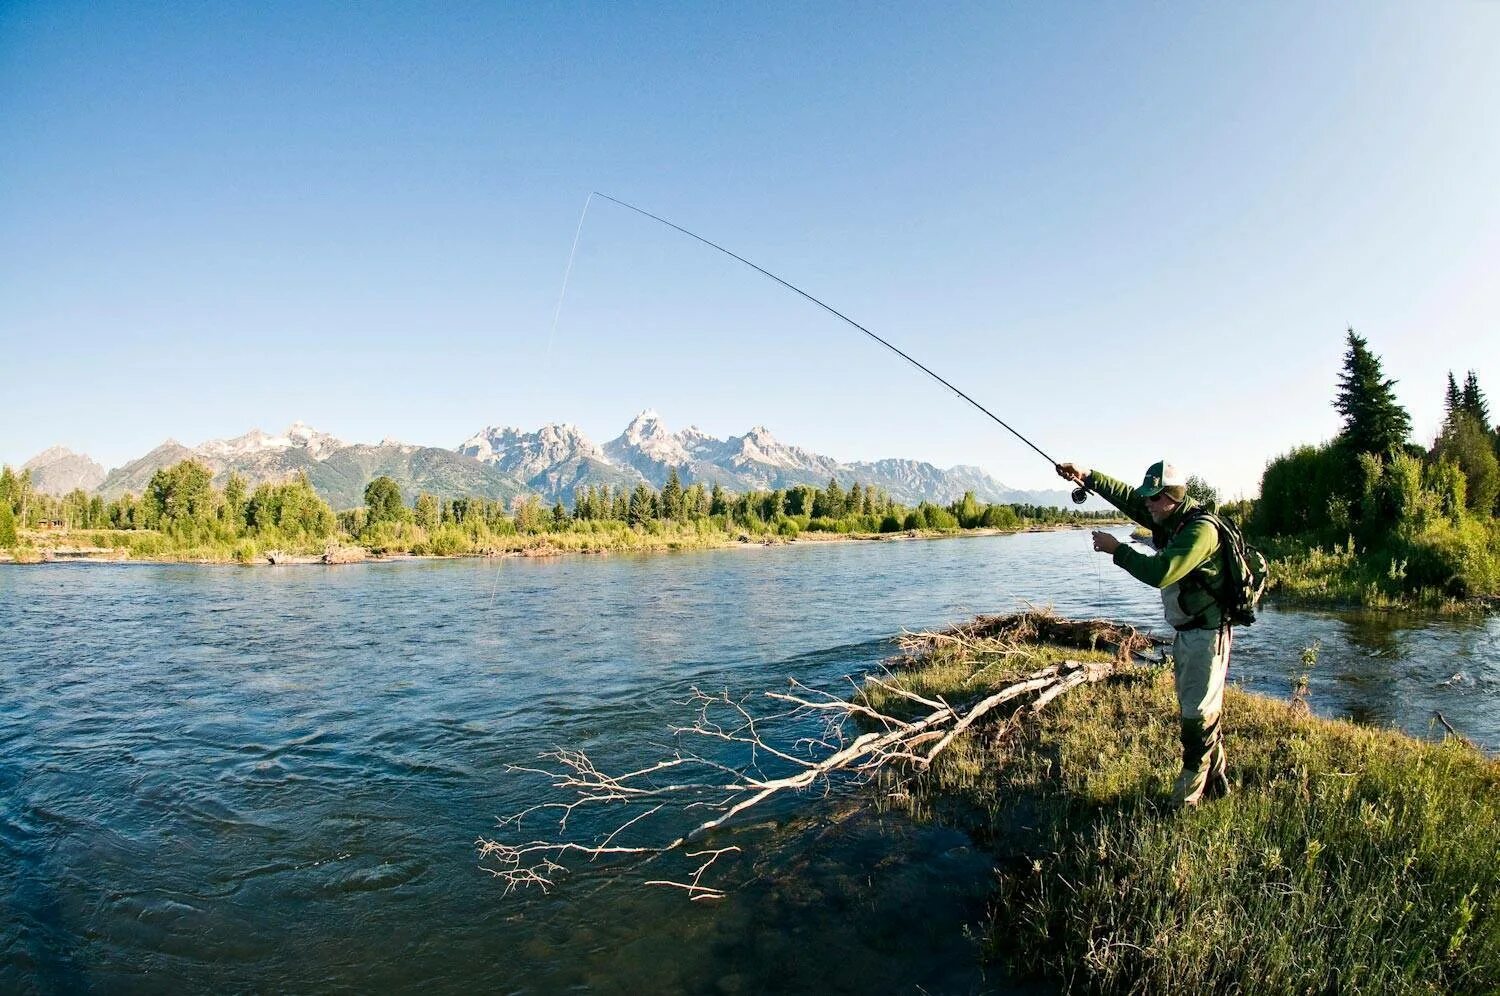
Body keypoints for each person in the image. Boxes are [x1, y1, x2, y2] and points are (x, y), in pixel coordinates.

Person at [1055, 459, 1232, 806]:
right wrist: (1086, 476)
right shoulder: (1169, 517)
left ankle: (1184, 805)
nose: (1146, 505)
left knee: (1196, 718)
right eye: (1147, 498)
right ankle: (1218, 783)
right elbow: (1125, 497)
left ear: (1173, 496)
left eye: (1153, 498)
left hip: (1207, 637)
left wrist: (1117, 549)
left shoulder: (1199, 531)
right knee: (1198, 708)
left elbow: (1161, 573)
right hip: (1188, 632)